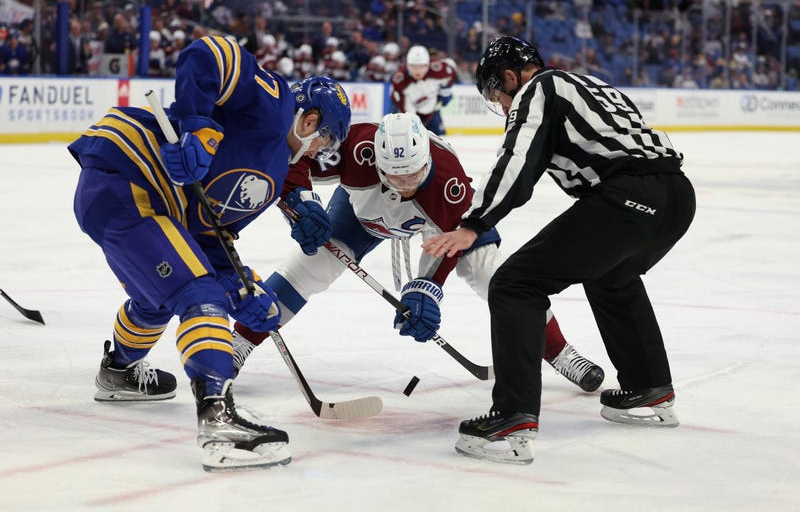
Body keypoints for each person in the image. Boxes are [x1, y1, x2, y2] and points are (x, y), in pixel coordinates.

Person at [68, 34, 351, 471]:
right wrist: (198, 126)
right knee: (199, 294)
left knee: (161, 294)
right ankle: (218, 420)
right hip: (126, 177)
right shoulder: (273, 104)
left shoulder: (275, 176)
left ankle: (118, 372)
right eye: (325, 141)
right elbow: (207, 54)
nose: (320, 153)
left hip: (148, 207)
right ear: (310, 121)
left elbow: (207, 237)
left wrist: (244, 289)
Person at [421, 35, 696, 465]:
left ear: (510, 77)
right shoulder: (591, 85)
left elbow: (517, 161)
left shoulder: (538, 89)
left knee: (514, 283)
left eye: (497, 94)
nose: (503, 106)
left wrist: (473, 225)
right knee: (612, 274)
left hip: (627, 196)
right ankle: (649, 387)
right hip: (676, 198)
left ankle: (513, 415)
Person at [230, 112, 604, 394]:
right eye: (396, 177)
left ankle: (558, 351)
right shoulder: (356, 148)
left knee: (489, 271)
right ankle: (239, 344)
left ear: (426, 158)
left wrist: (427, 287)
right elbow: (294, 160)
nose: (405, 184)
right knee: (310, 268)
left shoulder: (447, 181)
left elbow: (451, 244)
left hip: (437, 218)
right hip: (364, 211)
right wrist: (300, 204)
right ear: (377, 162)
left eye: (413, 175)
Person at [390, 45, 456, 135]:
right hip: (409, 107)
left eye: (422, 66)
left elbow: (451, 73)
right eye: (413, 66)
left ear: (428, 65)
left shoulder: (438, 69)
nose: (418, 71)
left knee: (440, 139)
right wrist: (411, 121)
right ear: (408, 65)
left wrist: (445, 91)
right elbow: (402, 106)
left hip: (431, 108)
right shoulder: (400, 79)